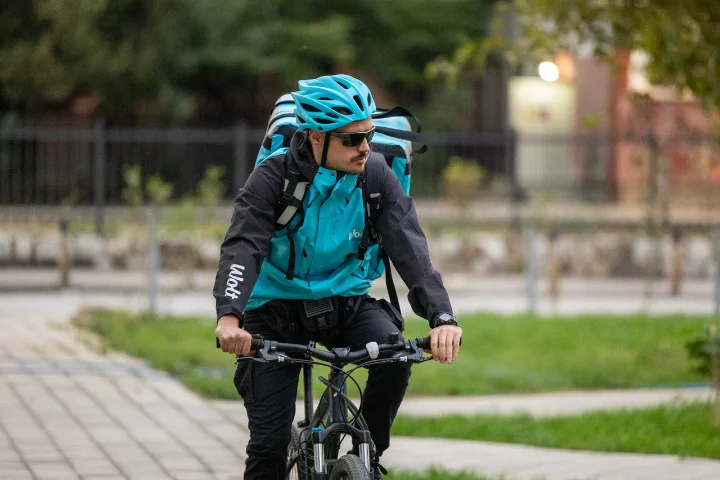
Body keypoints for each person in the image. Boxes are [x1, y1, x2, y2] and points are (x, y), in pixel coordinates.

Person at [213, 74, 462, 479]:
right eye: (352, 139)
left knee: (395, 357)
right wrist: (230, 318)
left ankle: (367, 456)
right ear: (316, 137)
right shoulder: (273, 178)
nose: (365, 147)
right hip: (273, 311)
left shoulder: (375, 175)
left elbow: (410, 248)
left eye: (369, 134)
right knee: (267, 447)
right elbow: (243, 246)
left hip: (345, 303)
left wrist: (442, 317)